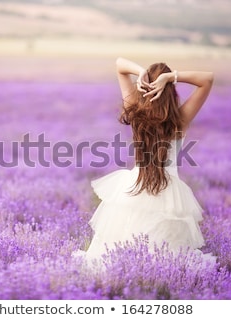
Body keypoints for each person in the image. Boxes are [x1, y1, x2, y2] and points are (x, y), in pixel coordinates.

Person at [81, 57, 215, 265]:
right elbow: (207, 79)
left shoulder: (136, 111)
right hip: (168, 194)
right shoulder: (180, 120)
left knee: (116, 254)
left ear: (144, 86)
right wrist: (172, 77)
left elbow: (120, 65)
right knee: (166, 260)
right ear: (171, 91)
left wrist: (141, 71)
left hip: (133, 188)